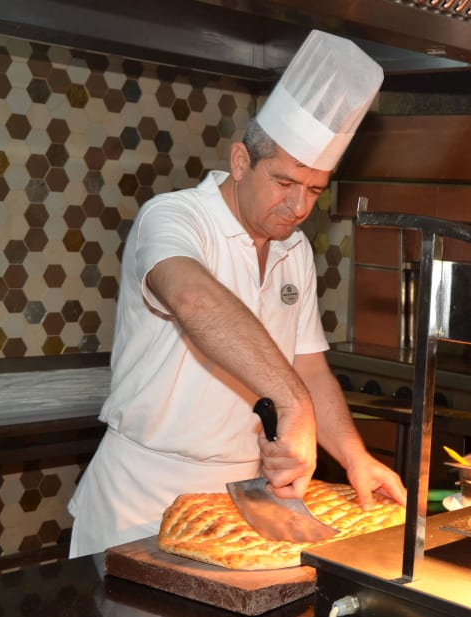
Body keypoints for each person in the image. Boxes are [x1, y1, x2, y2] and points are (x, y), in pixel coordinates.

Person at [68, 30, 406, 558]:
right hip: (140, 498)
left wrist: (353, 455)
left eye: (315, 190)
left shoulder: (293, 248)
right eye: (285, 183)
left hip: (246, 504)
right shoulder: (174, 218)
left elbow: (309, 367)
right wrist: (293, 404)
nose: (299, 207)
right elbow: (194, 300)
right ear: (241, 161)